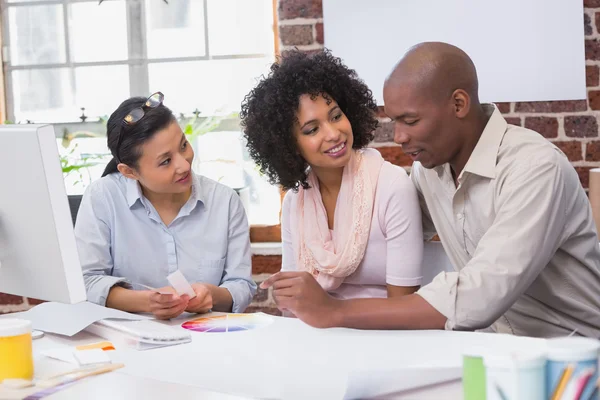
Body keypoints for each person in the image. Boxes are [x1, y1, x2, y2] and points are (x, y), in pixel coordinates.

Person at [260, 42, 600, 338]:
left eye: (410, 121)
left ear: (458, 104)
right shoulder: (429, 173)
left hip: (571, 355)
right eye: (394, 121)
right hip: (491, 349)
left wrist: (333, 312)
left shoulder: (535, 168)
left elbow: (478, 297)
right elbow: (380, 231)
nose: (399, 137)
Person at [241, 50, 423, 304]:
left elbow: (404, 307)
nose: (333, 133)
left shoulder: (391, 186)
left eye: (336, 116)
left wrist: (329, 312)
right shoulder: (296, 202)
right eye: (312, 129)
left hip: (387, 336)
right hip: (317, 335)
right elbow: (294, 302)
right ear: (290, 146)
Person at [75, 92, 256, 319]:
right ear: (129, 172)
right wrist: (147, 302)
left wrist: (212, 294)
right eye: (166, 161)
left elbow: (241, 285)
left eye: (183, 145)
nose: (184, 165)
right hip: (128, 340)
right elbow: (87, 281)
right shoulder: (103, 197)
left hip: (206, 337)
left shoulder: (225, 202)